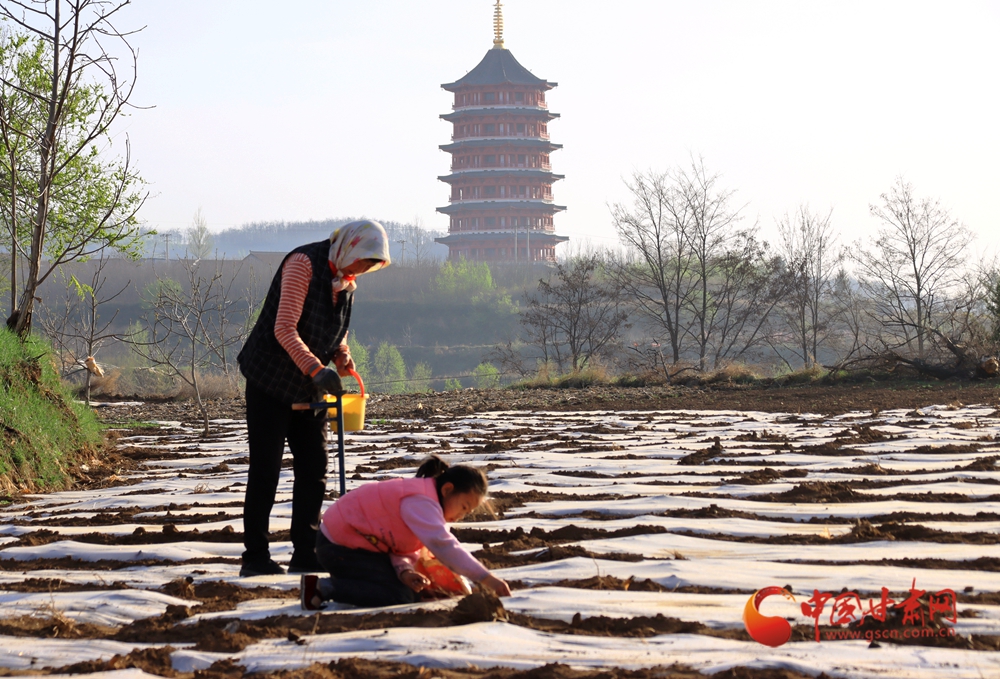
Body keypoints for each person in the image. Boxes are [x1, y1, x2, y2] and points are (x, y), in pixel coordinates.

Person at [237, 220, 390, 577]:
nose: (360, 270)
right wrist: (317, 370)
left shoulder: (346, 281)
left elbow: (336, 329)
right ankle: (255, 557)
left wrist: (341, 355)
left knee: (315, 467)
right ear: (350, 248)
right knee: (266, 471)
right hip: (269, 380)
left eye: (368, 266)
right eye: (362, 262)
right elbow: (284, 328)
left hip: (309, 387)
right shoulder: (303, 264)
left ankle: (306, 553)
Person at [301, 456, 511, 609]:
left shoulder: (427, 502)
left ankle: (347, 582)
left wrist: (405, 572)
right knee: (398, 596)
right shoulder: (421, 502)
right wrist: (486, 578)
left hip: (354, 545)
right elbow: (445, 546)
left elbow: (399, 544)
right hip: (338, 546)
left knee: (406, 591)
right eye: (464, 507)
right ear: (447, 490)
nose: (461, 516)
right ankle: (323, 587)